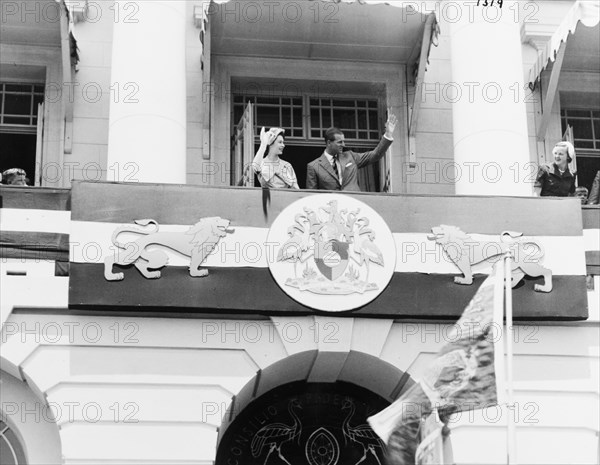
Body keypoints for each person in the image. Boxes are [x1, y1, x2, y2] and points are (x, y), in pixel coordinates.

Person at [306, 109, 397, 192]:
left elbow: (375, 155)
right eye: (339, 142)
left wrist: (388, 134)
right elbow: (311, 196)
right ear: (329, 143)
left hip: (354, 205)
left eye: (344, 141)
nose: (344, 145)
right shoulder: (314, 166)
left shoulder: (350, 156)